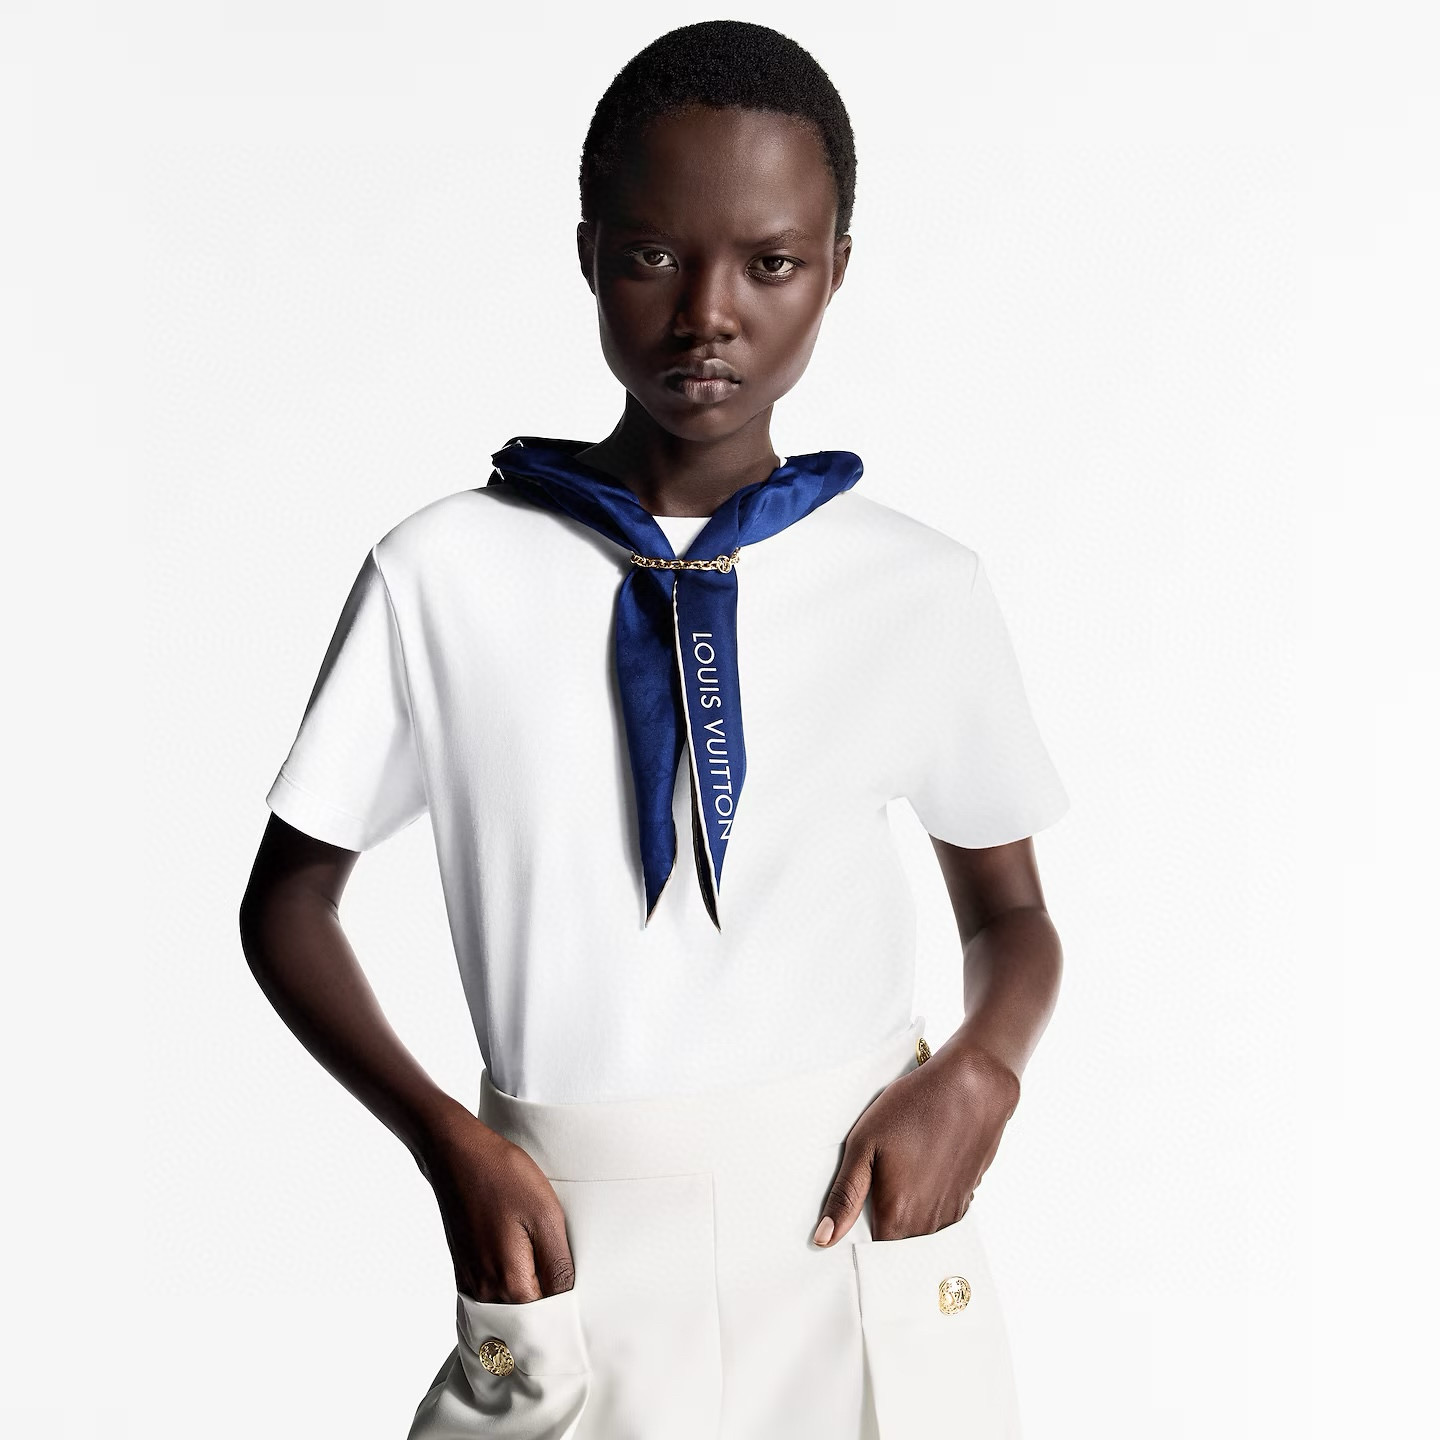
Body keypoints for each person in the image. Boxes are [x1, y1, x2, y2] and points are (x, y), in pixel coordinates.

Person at [239, 19, 1070, 1440]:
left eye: (771, 263)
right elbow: (287, 904)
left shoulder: (918, 586)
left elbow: (1012, 917)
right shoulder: (444, 572)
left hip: (857, 1226)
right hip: (563, 1236)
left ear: (838, 269)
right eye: (651, 255)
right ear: (588, 254)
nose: (707, 315)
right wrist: (446, 1142)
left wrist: (981, 1077)